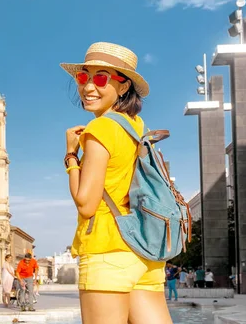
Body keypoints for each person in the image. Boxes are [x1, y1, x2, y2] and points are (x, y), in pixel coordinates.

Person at [62, 42, 172, 324]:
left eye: (101, 78)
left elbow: (86, 204)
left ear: (123, 87)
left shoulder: (101, 128)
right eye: (84, 77)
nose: (88, 87)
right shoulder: (137, 126)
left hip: (107, 251)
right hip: (144, 251)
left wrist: (71, 155)